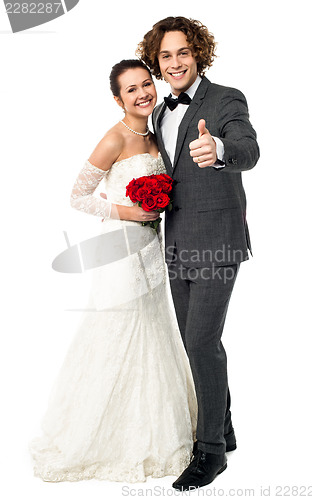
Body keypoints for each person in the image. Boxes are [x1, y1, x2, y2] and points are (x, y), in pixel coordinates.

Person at [29, 59, 197, 483]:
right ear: (118, 99)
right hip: (122, 247)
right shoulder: (114, 137)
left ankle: (154, 428)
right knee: (118, 331)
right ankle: (98, 437)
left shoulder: (158, 129)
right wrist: (130, 210)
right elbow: (78, 196)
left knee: (154, 329)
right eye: (131, 90)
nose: (142, 93)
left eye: (146, 84)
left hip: (153, 246)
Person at [137, 16, 260, 490]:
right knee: (195, 342)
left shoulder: (226, 98)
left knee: (202, 342)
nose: (174, 63)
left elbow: (249, 148)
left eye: (182, 53)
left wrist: (220, 148)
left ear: (198, 54)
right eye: (165, 55)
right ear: (157, 60)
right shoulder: (159, 111)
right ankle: (224, 428)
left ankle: (209, 452)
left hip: (218, 239)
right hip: (177, 241)